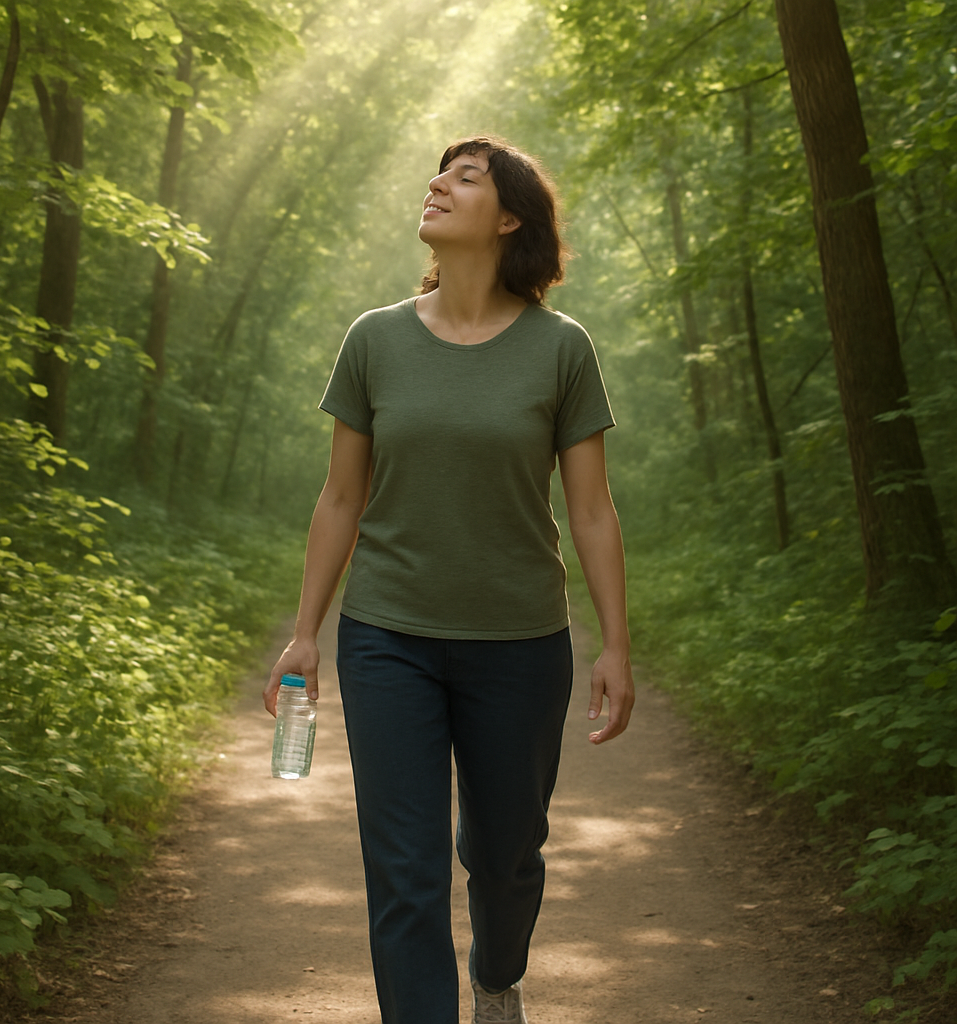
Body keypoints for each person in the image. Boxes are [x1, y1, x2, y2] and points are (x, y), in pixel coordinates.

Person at [264, 135, 634, 1024]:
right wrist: (308, 631)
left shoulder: (561, 349)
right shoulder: (376, 340)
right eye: (439, 174)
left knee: (506, 855)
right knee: (404, 866)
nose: (437, 184)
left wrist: (616, 645)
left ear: (509, 218)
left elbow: (591, 511)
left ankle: (498, 974)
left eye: (465, 178)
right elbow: (342, 496)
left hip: (521, 644)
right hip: (389, 638)